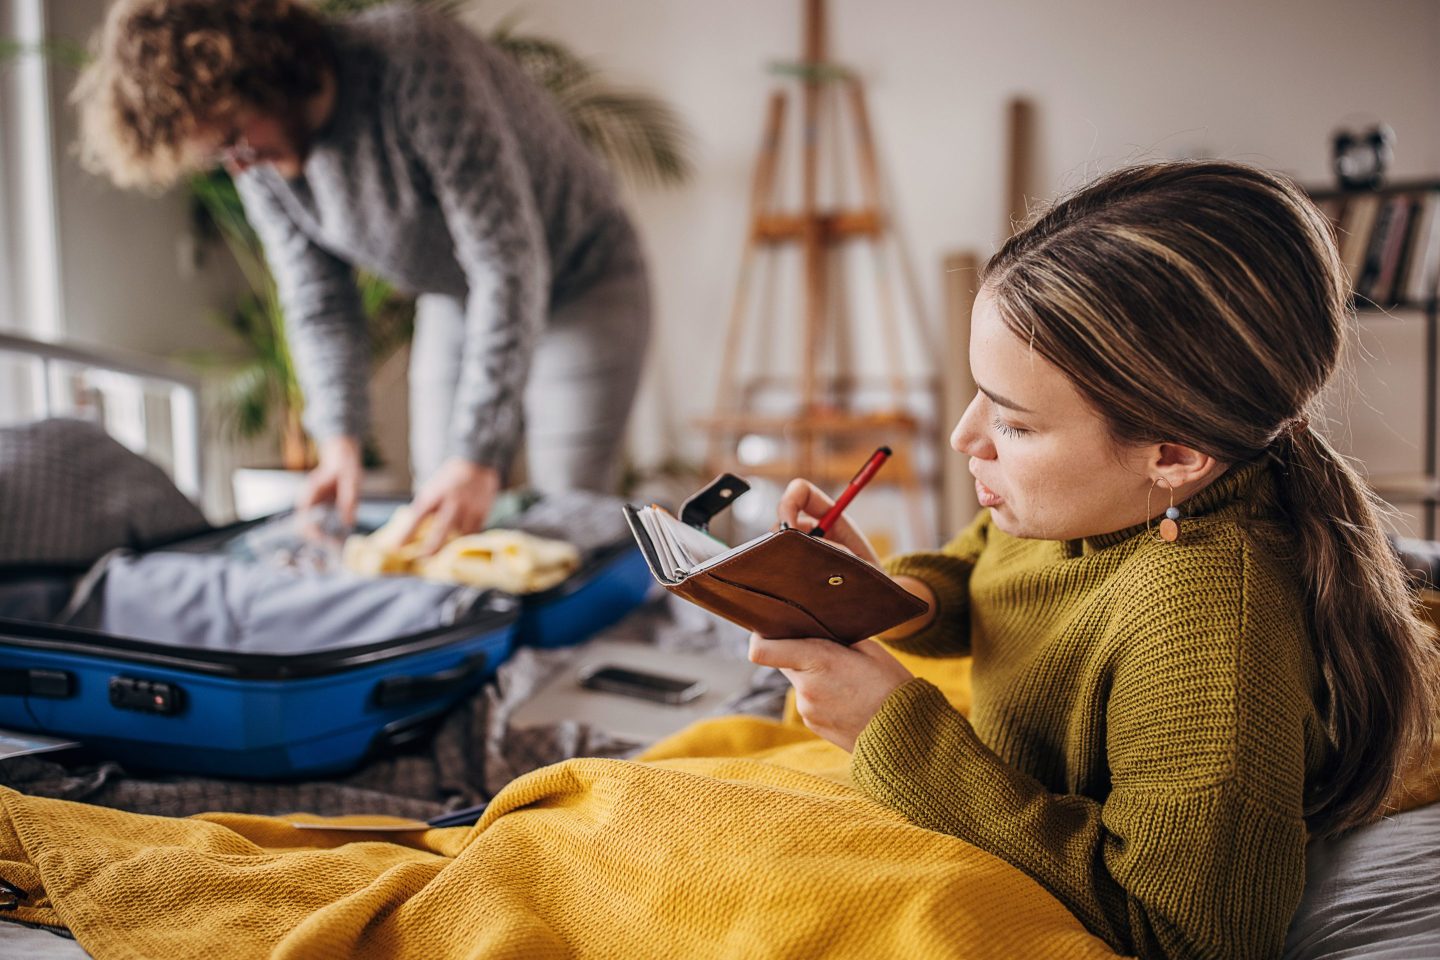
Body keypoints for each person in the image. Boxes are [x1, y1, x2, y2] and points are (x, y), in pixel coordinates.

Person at [749, 161, 1440, 959]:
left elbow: (1184, 934)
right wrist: (883, 594)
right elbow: (992, 570)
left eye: (1013, 424)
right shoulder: (1091, 499)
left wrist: (893, 732)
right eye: (979, 394)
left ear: (1174, 455)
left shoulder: (1207, 638)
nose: (963, 438)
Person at [74, 0, 650, 550]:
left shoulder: (413, 59)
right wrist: (339, 443)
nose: (240, 165)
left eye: (233, 137)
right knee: (438, 505)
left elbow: (506, 259)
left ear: (261, 73)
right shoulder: (258, 164)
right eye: (221, 156)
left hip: (583, 281)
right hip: (456, 295)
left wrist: (479, 456)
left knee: (568, 505)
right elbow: (317, 299)